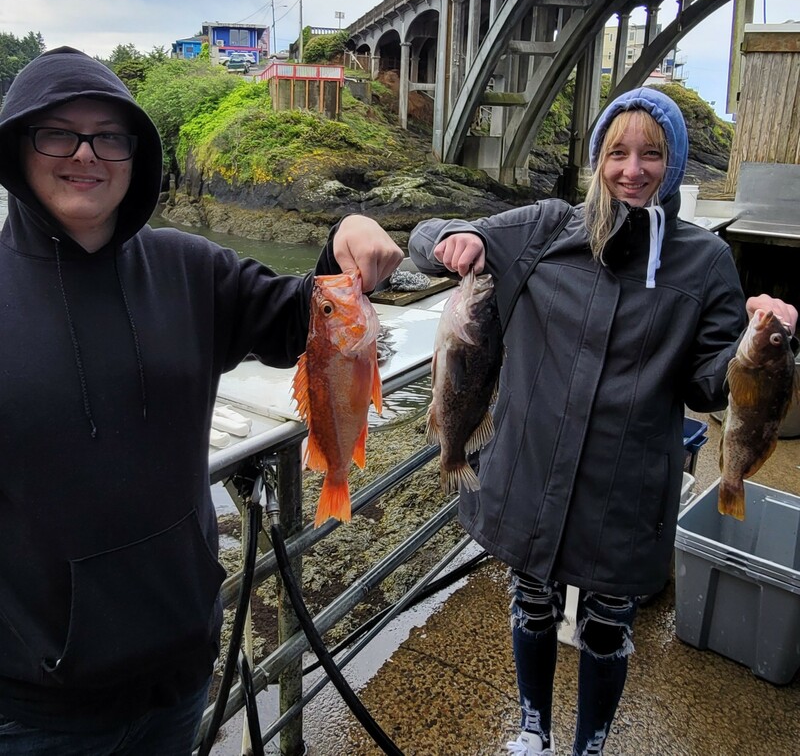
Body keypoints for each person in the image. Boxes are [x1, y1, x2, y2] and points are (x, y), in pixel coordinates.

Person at [0, 47, 403, 755]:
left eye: (111, 135)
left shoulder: (191, 267)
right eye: (57, 133)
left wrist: (344, 238)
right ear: (18, 147)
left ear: (137, 153)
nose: (86, 154)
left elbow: (298, 317)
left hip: (180, 674)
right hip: (37, 710)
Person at [408, 87, 797, 756]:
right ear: (597, 159)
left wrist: (769, 343)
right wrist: (453, 239)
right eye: (617, 152)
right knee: (530, 599)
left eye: (652, 153)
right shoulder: (544, 227)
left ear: (673, 165)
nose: (633, 168)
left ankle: (589, 744)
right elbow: (424, 238)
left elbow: (709, 384)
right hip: (531, 468)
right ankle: (533, 727)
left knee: (608, 623)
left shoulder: (703, 261)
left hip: (627, 483)